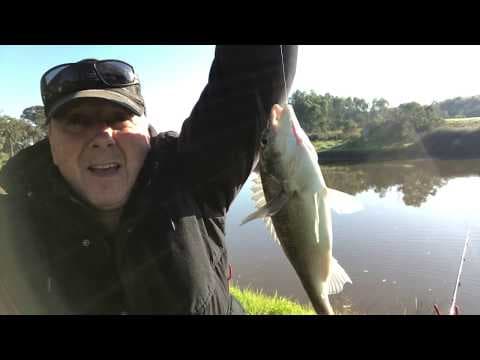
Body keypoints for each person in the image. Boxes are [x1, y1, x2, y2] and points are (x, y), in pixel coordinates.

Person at [0, 45, 298, 315]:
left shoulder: (195, 173)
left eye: (119, 117)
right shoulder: (10, 225)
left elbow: (252, 72)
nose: (103, 136)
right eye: (77, 121)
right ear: (49, 139)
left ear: (147, 130)